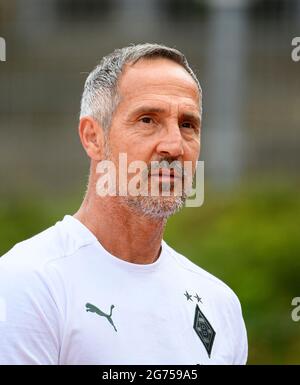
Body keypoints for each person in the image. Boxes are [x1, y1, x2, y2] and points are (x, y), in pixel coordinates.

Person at [0, 43, 247, 365]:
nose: (174, 146)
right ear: (93, 137)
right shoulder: (26, 283)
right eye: (147, 120)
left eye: (187, 124)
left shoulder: (220, 302)